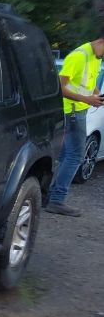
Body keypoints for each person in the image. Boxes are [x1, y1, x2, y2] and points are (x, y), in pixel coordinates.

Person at [46, 32, 104, 216]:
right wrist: (87, 99)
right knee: (75, 157)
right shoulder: (78, 56)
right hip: (71, 112)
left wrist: (96, 95)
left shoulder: (96, 56)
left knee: (65, 157)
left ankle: (49, 196)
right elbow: (60, 88)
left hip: (78, 110)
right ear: (101, 41)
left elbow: (88, 83)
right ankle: (57, 200)